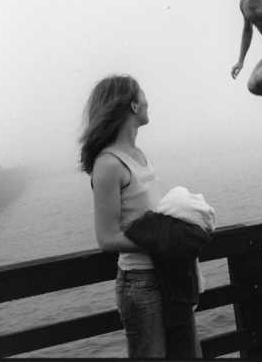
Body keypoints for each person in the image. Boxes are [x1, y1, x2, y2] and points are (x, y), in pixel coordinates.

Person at [78, 75, 202, 358]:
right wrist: (168, 241)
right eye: (143, 95)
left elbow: (148, 218)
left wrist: (172, 235)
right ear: (133, 105)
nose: (148, 101)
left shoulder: (139, 155)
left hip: (167, 275)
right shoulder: (109, 164)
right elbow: (107, 238)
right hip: (140, 284)